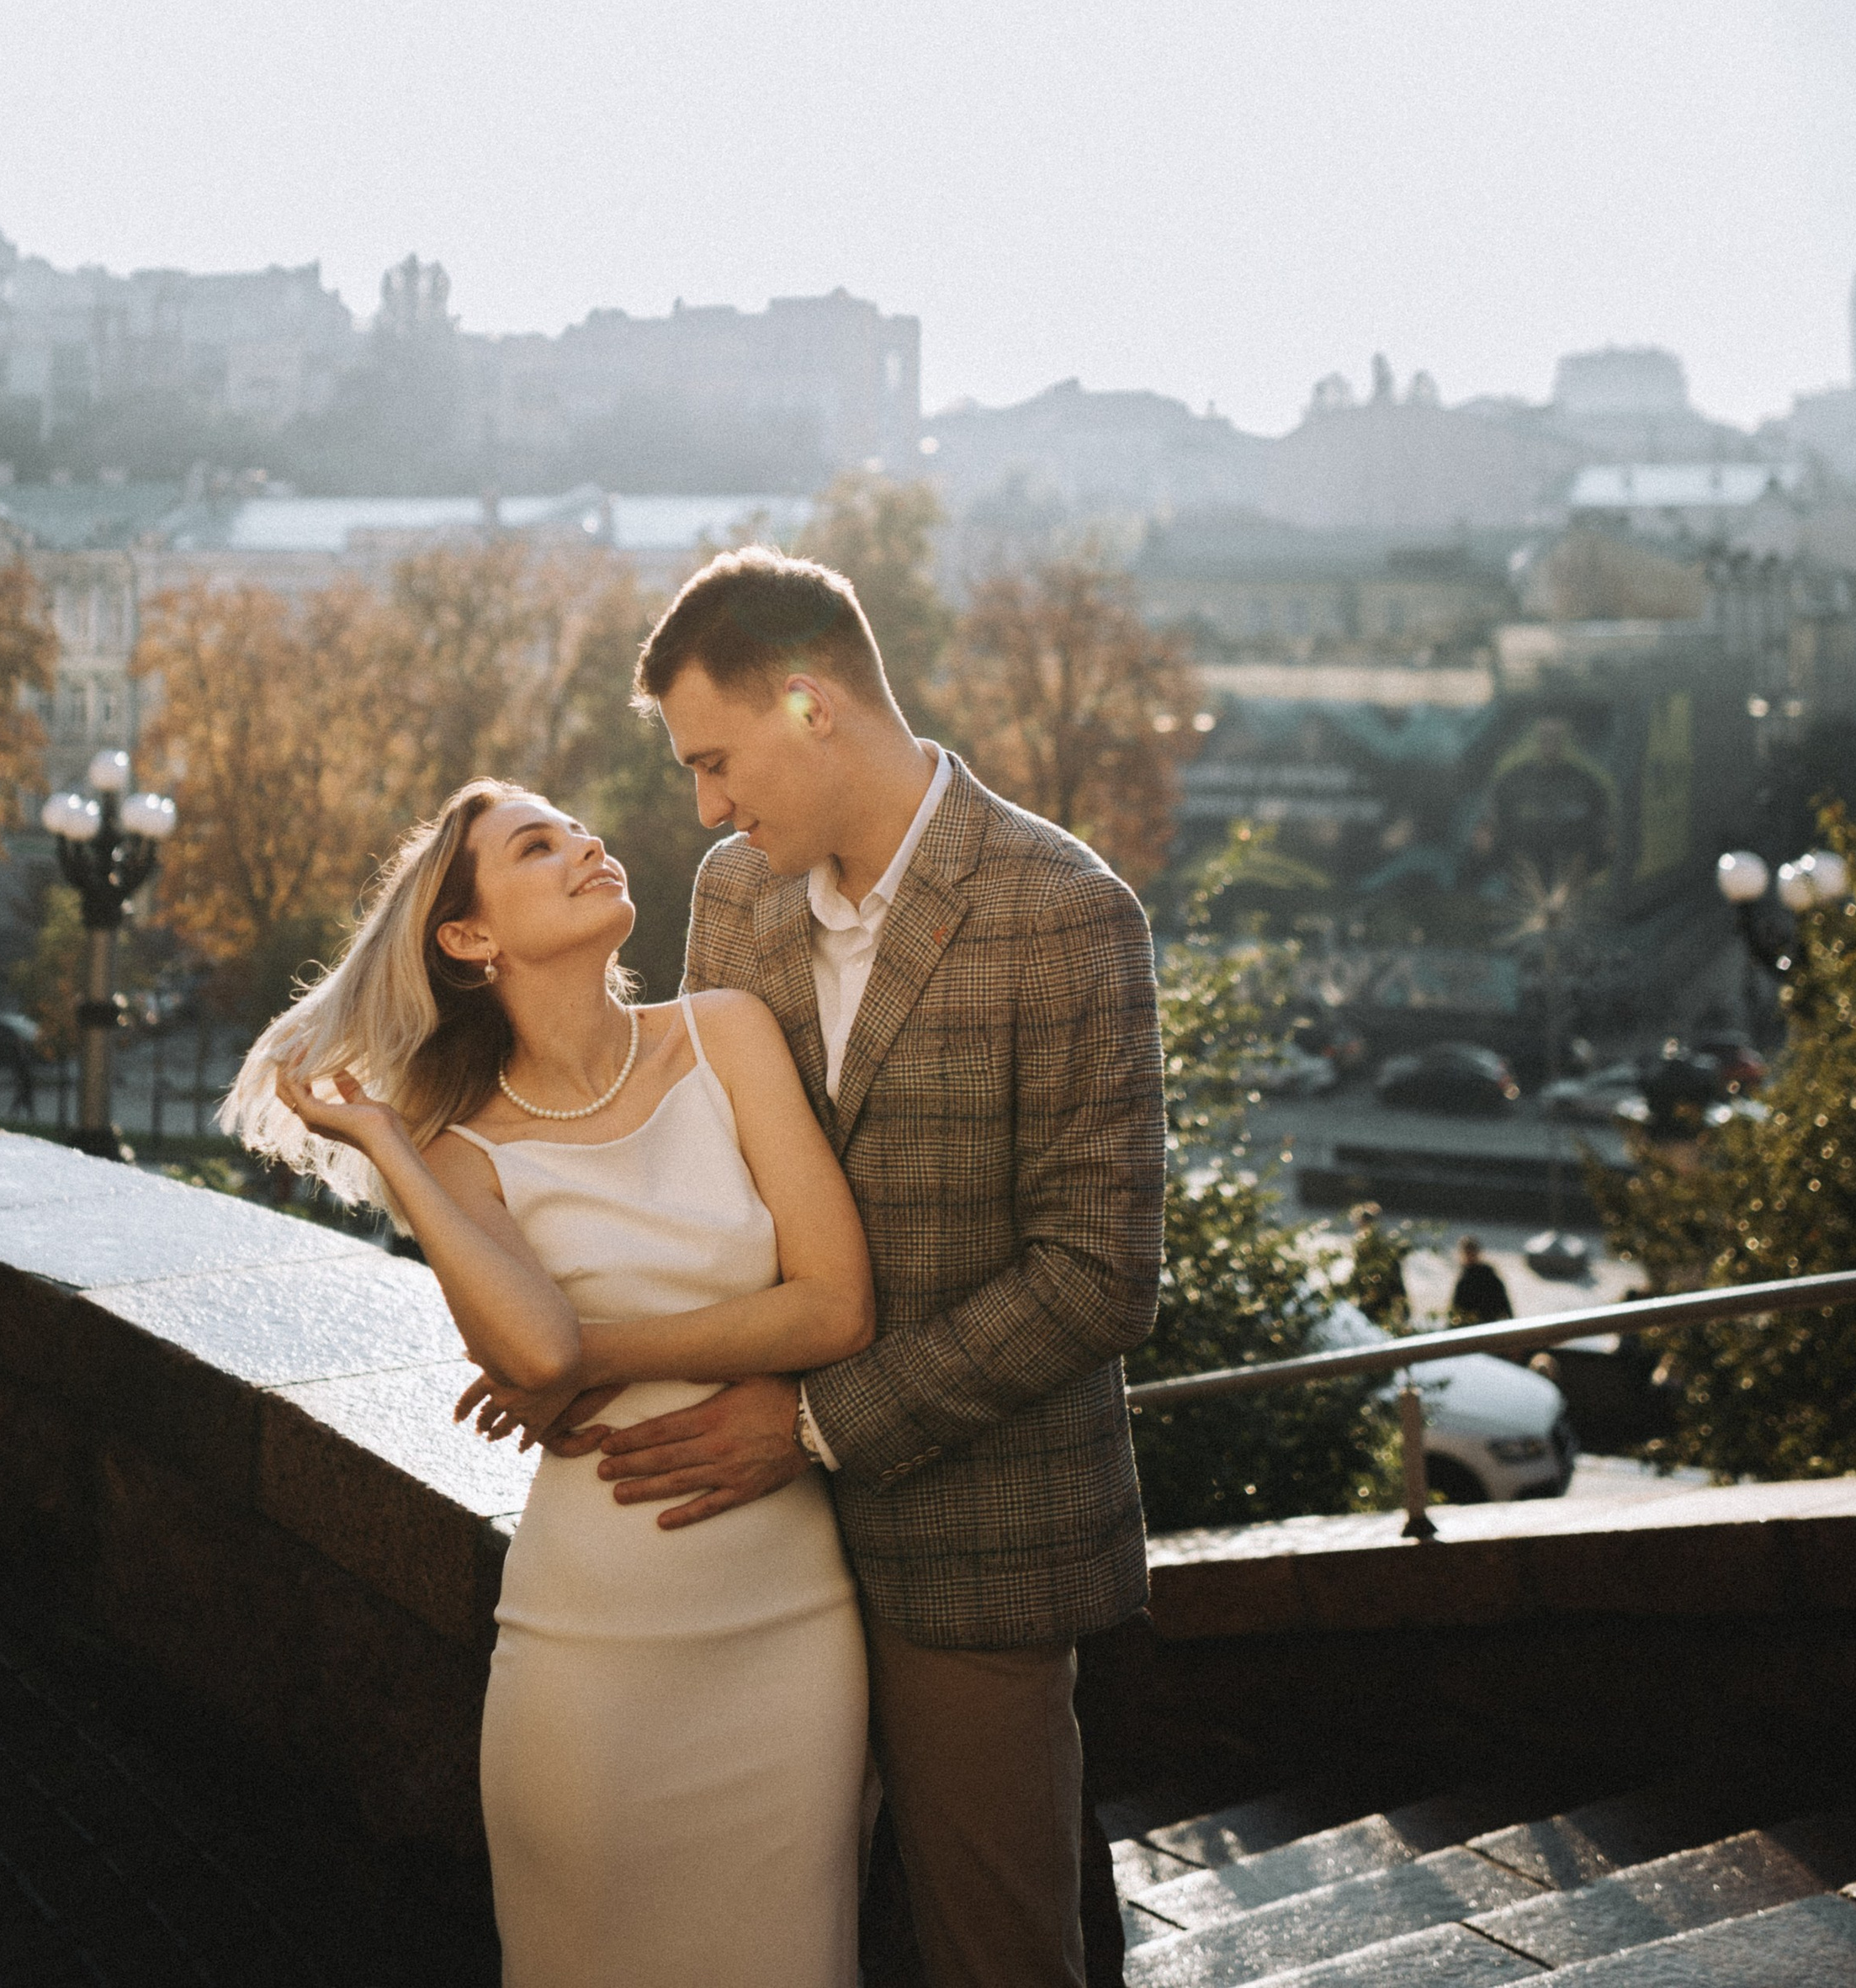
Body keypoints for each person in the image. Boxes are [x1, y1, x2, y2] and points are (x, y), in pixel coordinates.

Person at [479, 549, 1166, 1988]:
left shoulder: (1066, 909)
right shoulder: (737, 897)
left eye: (717, 761)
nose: (707, 808)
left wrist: (807, 1423)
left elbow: (1099, 1274)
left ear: (811, 706)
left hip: (973, 1550)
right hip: (745, 1567)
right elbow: (695, 1173)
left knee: (995, 1955)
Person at [221, 779, 876, 1988]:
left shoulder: (725, 1032)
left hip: (788, 1633)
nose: (588, 845)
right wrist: (393, 1146)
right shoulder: (461, 1153)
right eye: (539, 845)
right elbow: (533, 1354)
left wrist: (605, 1351)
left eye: (579, 829)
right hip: (591, 1649)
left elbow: (836, 1306)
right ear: (470, 939)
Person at [1450, 1236, 1514, 1324]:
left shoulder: (1488, 1277)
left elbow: (1505, 1305)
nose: (1468, 1256)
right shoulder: (1466, 1278)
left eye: (1470, 1252)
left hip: (1485, 1326)